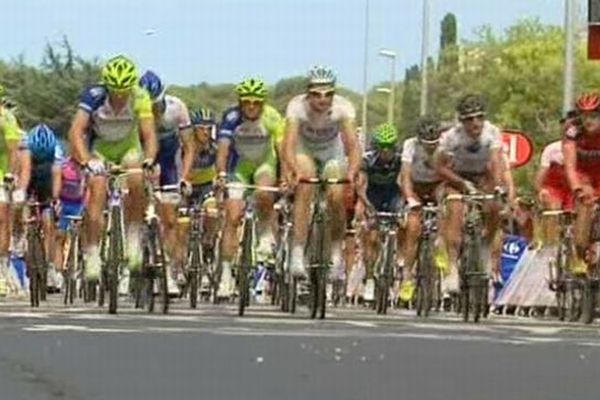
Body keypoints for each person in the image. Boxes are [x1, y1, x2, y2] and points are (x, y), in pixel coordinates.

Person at [67, 55, 157, 289]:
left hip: (129, 147)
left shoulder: (140, 97)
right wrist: (86, 161)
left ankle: (134, 237)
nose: (119, 96)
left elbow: (149, 135)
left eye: (123, 91)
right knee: (97, 190)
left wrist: (148, 159)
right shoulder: (94, 96)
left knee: (136, 178)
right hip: (101, 149)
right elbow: (76, 132)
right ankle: (93, 254)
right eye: (114, 91)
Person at [282, 65, 361, 281]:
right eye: (316, 95)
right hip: (304, 150)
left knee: (336, 195)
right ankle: (298, 252)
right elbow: (288, 144)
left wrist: (352, 173)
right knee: (305, 183)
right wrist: (292, 169)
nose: (322, 100)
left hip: (332, 153)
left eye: (328, 95)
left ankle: (336, 252)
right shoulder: (296, 107)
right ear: (308, 94)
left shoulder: (343, 108)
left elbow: (353, 145)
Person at [216, 79, 284, 297]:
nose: (252, 106)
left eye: (256, 102)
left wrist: (285, 178)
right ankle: (225, 274)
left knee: (264, 191)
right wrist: (221, 175)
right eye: (247, 102)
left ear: (263, 103)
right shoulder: (231, 118)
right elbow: (223, 150)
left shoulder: (272, 117)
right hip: (240, 166)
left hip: (265, 163)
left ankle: (265, 232)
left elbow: (282, 151)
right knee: (232, 217)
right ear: (240, 102)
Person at [434, 94, 505, 294]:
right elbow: (438, 166)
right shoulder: (451, 137)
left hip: (483, 177)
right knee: (455, 210)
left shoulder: (491, 132)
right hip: (457, 178)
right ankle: (452, 269)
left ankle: (485, 246)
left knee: (495, 206)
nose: (475, 123)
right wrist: (460, 182)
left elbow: (496, 162)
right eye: (469, 119)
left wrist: (497, 186)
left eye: (479, 117)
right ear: (461, 121)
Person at [139, 70, 191, 294]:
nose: (152, 110)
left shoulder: (177, 108)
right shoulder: (133, 110)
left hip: (169, 163)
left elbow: (189, 147)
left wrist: (185, 177)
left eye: (155, 105)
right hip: (144, 159)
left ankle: (169, 271)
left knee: (169, 220)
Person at [355, 122, 403, 300]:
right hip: (372, 196)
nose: (385, 151)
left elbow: (403, 183)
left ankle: (398, 265)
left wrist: (403, 206)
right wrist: (367, 207)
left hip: (393, 195)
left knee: (405, 225)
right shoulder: (367, 160)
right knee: (372, 237)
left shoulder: (400, 160)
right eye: (381, 147)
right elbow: (361, 186)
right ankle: (369, 278)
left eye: (389, 147)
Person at [400, 115, 444, 301]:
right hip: (417, 186)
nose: (431, 146)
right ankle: (407, 276)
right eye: (427, 143)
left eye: (434, 142)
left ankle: (441, 244)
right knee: (413, 229)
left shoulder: (446, 146)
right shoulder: (410, 145)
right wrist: (410, 198)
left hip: (437, 185)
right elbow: (405, 176)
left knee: (447, 205)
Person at [19, 123, 65, 289]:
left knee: (49, 223)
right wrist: (21, 198)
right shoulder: (25, 148)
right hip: (30, 178)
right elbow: (22, 173)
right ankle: (23, 244)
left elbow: (57, 177)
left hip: (47, 180)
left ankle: (50, 266)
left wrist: (54, 199)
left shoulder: (57, 152)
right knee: (22, 211)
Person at [563, 93, 600, 270]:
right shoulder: (573, 130)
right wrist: (577, 189)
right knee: (585, 202)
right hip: (584, 175)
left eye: (593, 116)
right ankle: (580, 255)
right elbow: (570, 166)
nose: (588, 121)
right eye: (584, 116)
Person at [0, 83, 25, 296]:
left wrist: (10, 174)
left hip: (1, 169)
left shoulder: (6, 118)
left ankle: (1, 269)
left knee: (2, 217)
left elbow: (13, 152)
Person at [53, 156, 86, 272]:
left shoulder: (88, 167)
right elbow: (57, 187)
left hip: (79, 205)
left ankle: (82, 262)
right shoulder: (63, 165)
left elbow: (88, 190)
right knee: (60, 236)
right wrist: (56, 203)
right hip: (64, 204)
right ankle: (58, 270)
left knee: (83, 236)